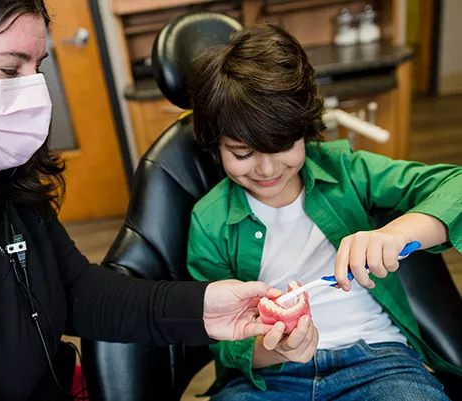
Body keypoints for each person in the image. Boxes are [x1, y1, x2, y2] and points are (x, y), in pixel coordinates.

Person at [0, 2, 282, 400]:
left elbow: (75, 290)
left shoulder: (1, 180)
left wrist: (203, 308)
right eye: (8, 70)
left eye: (38, 67)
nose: (34, 92)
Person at [186, 23, 462, 400]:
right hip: (270, 379)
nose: (266, 171)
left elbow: (455, 187)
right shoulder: (209, 220)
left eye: (282, 146)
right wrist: (275, 348)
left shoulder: (344, 169)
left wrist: (394, 235)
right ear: (214, 144)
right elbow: (220, 340)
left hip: (377, 361)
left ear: (305, 128)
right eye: (243, 153)